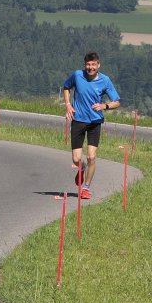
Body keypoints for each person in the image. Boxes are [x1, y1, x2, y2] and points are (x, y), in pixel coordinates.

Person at [62, 51, 120, 200]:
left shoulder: (105, 81)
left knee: (92, 157)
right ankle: (81, 167)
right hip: (78, 120)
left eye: (93, 65)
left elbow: (117, 102)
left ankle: (86, 188)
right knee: (76, 159)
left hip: (95, 122)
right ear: (85, 65)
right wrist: (68, 105)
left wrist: (104, 106)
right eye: (88, 65)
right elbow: (66, 87)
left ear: (98, 65)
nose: (90, 67)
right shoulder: (77, 75)